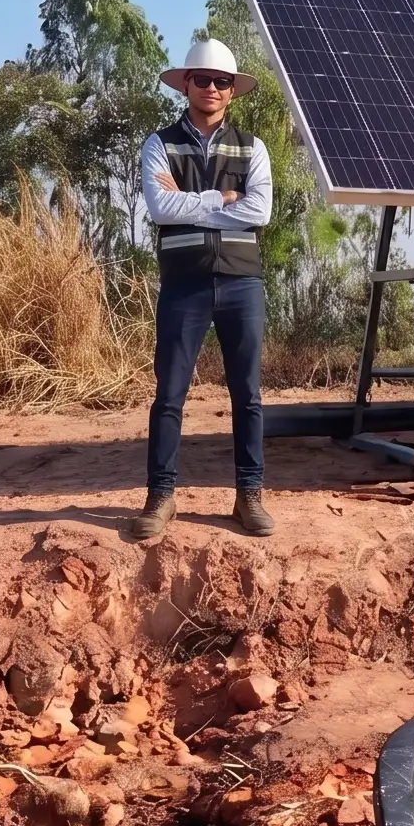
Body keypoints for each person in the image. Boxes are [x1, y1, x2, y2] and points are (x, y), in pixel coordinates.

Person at [128, 37, 275, 543]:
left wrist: (192, 198)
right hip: (183, 282)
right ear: (185, 84)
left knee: (248, 396)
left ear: (232, 91)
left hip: (241, 281)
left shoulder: (253, 147)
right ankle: (161, 495)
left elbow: (260, 212)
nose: (211, 87)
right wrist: (223, 196)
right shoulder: (159, 144)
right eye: (203, 79)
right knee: (169, 395)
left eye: (222, 81)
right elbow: (160, 209)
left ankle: (249, 495)